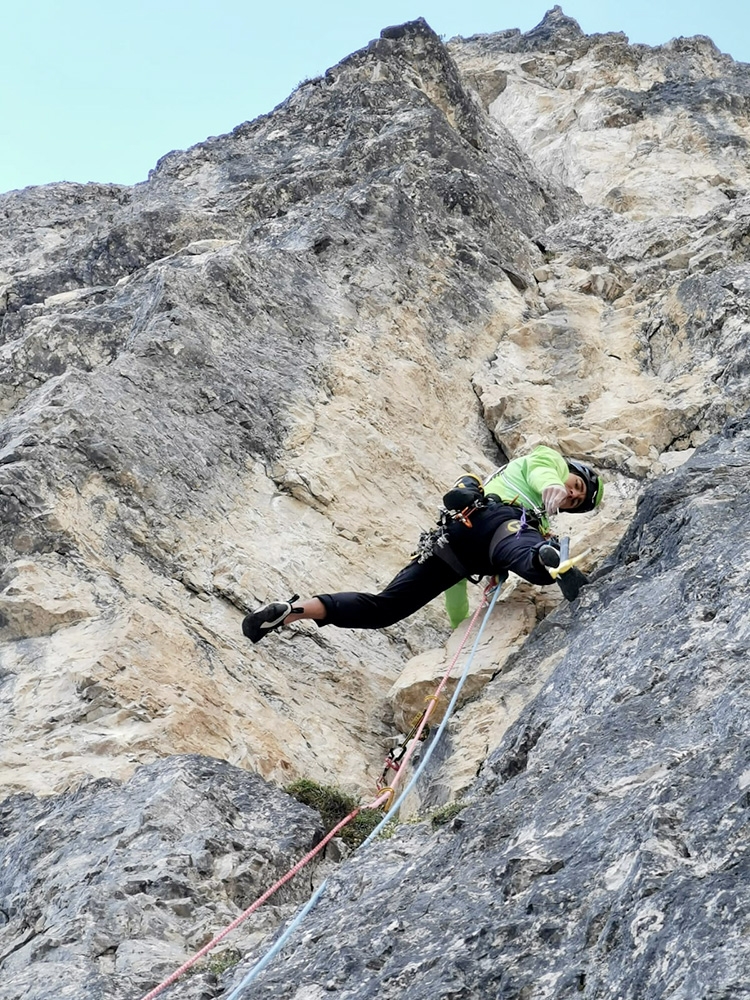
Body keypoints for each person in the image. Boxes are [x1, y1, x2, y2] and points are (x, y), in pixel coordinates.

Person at [242, 445, 604, 643]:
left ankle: (290, 612)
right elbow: (546, 473)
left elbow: (456, 595)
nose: (570, 495)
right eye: (576, 487)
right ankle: (543, 557)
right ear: (570, 470)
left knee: (384, 609)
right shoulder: (547, 462)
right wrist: (548, 488)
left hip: (454, 545)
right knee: (538, 566)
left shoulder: (529, 504)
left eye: (575, 501)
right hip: (499, 522)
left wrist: (461, 629)